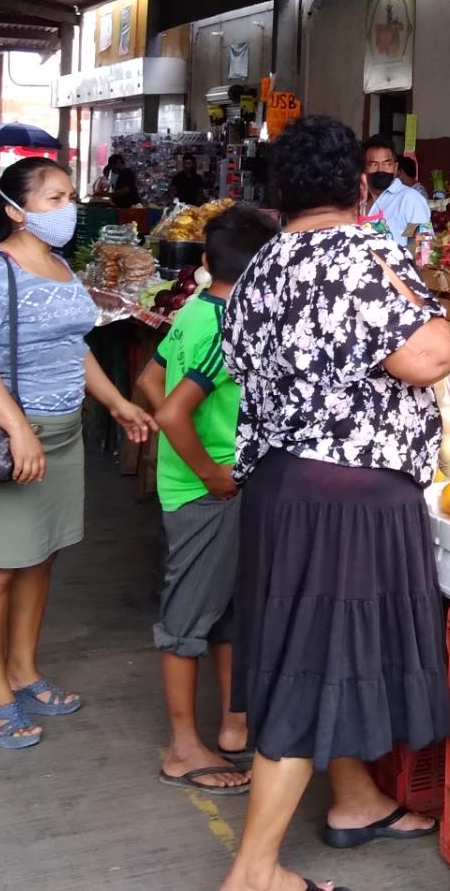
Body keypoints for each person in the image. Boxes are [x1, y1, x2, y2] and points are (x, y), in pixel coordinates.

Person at [218, 115, 450, 891]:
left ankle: (356, 798)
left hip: (281, 488)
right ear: (362, 188)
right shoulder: (362, 249)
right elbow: (422, 356)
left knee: (319, 650)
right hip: (348, 495)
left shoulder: (261, 263)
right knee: (308, 664)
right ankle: (253, 872)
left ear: (282, 192)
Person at [0, 156, 156, 749]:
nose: (68, 209)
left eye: (69, 197)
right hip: (7, 437)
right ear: (16, 209)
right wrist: (17, 429)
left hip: (63, 434)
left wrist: (116, 403)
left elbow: (75, 346)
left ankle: (23, 670)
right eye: (54, 199)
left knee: (41, 557)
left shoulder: (60, 265)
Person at [134, 205, 280, 798]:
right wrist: (209, 472)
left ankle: (232, 723)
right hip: (206, 491)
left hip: (201, 482)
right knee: (187, 621)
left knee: (225, 612)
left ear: (202, 263)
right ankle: (182, 747)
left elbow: (150, 379)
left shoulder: (196, 309)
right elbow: (170, 409)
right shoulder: (229, 327)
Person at [363, 134, 431, 247]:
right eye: (374, 164)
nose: (381, 170)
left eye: (387, 164)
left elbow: (421, 242)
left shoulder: (409, 200)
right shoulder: (359, 202)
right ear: (364, 168)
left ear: (395, 167)